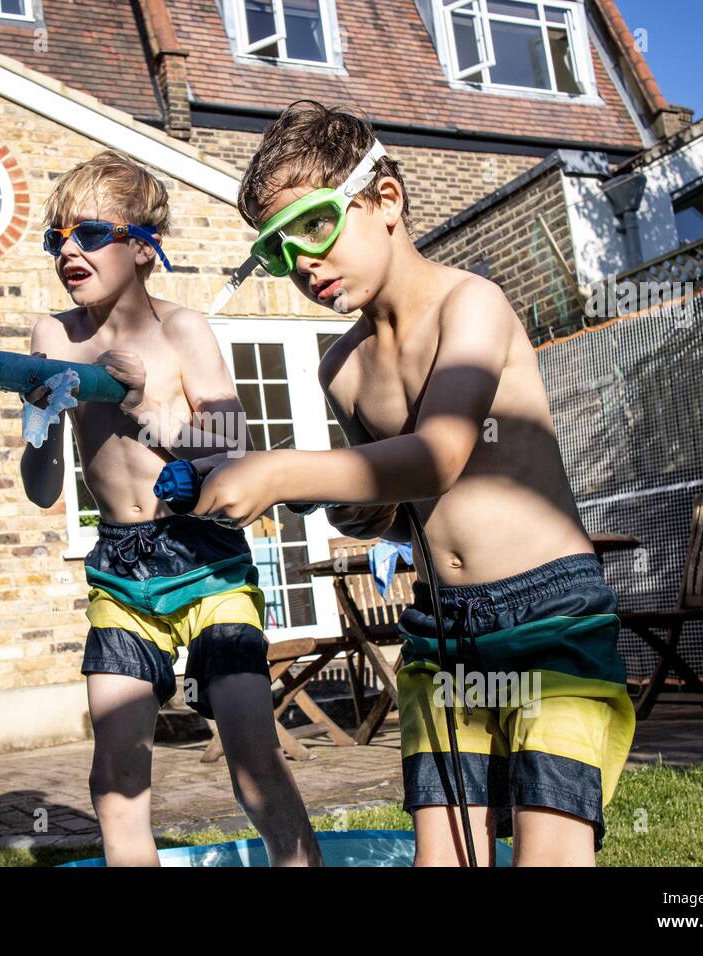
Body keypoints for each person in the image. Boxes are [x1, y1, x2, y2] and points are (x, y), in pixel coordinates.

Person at [191, 102, 635, 866]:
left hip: (551, 615)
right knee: (445, 857)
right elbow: (397, 508)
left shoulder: (473, 304)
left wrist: (282, 469)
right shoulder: (343, 369)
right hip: (440, 627)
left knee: (548, 855)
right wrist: (353, 508)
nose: (303, 261)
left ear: (385, 201)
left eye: (316, 225)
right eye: (278, 249)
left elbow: (439, 456)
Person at [19, 149, 321, 866]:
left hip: (206, 558)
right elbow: (39, 491)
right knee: (115, 774)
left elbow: (227, 451)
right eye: (54, 238)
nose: (68, 249)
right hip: (121, 572)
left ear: (145, 247)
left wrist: (142, 402)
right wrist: (37, 422)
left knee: (252, 753)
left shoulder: (184, 331)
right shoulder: (52, 338)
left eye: (90, 234)